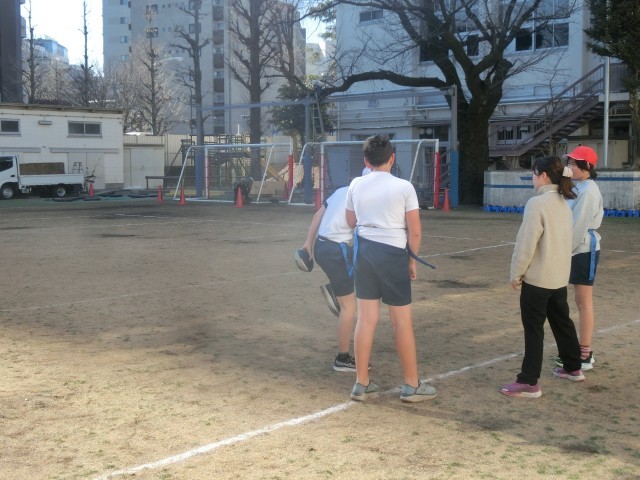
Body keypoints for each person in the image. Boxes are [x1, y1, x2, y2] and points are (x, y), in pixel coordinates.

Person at [345, 135, 437, 403]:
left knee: (365, 320)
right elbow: (415, 231)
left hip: (364, 253)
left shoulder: (355, 184)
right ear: (392, 158)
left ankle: (361, 383)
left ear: (366, 161)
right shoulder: (404, 187)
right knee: (401, 322)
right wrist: (411, 260)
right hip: (393, 253)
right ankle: (411, 384)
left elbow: (350, 221)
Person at [501, 156, 585, 398]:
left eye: (534, 173)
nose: (532, 178)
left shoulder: (537, 203)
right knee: (562, 322)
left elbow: (526, 243)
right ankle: (573, 366)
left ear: (543, 175)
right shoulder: (564, 202)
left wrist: (516, 273)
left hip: (538, 280)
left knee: (534, 329)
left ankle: (529, 381)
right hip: (558, 278)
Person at [299, 185, 359, 372]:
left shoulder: (342, 190)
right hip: (336, 251)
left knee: (359, 264)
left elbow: (317, 215)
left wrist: (308, 243)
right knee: (349, 307)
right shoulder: (364, 195)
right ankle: (342, 358)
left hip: (321, 246)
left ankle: (335, 288)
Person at [555, 146, 603, 371]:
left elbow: (578, 226)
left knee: (584, 302)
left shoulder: (589, 191)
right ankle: (576, 351)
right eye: (570, 162)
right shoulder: (577, 186)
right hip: (574, 248)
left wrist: (563, 251)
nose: (570, 166)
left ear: (587, 167)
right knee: (578, 301)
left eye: (575, 163)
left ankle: (585, 353)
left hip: (584, 249)